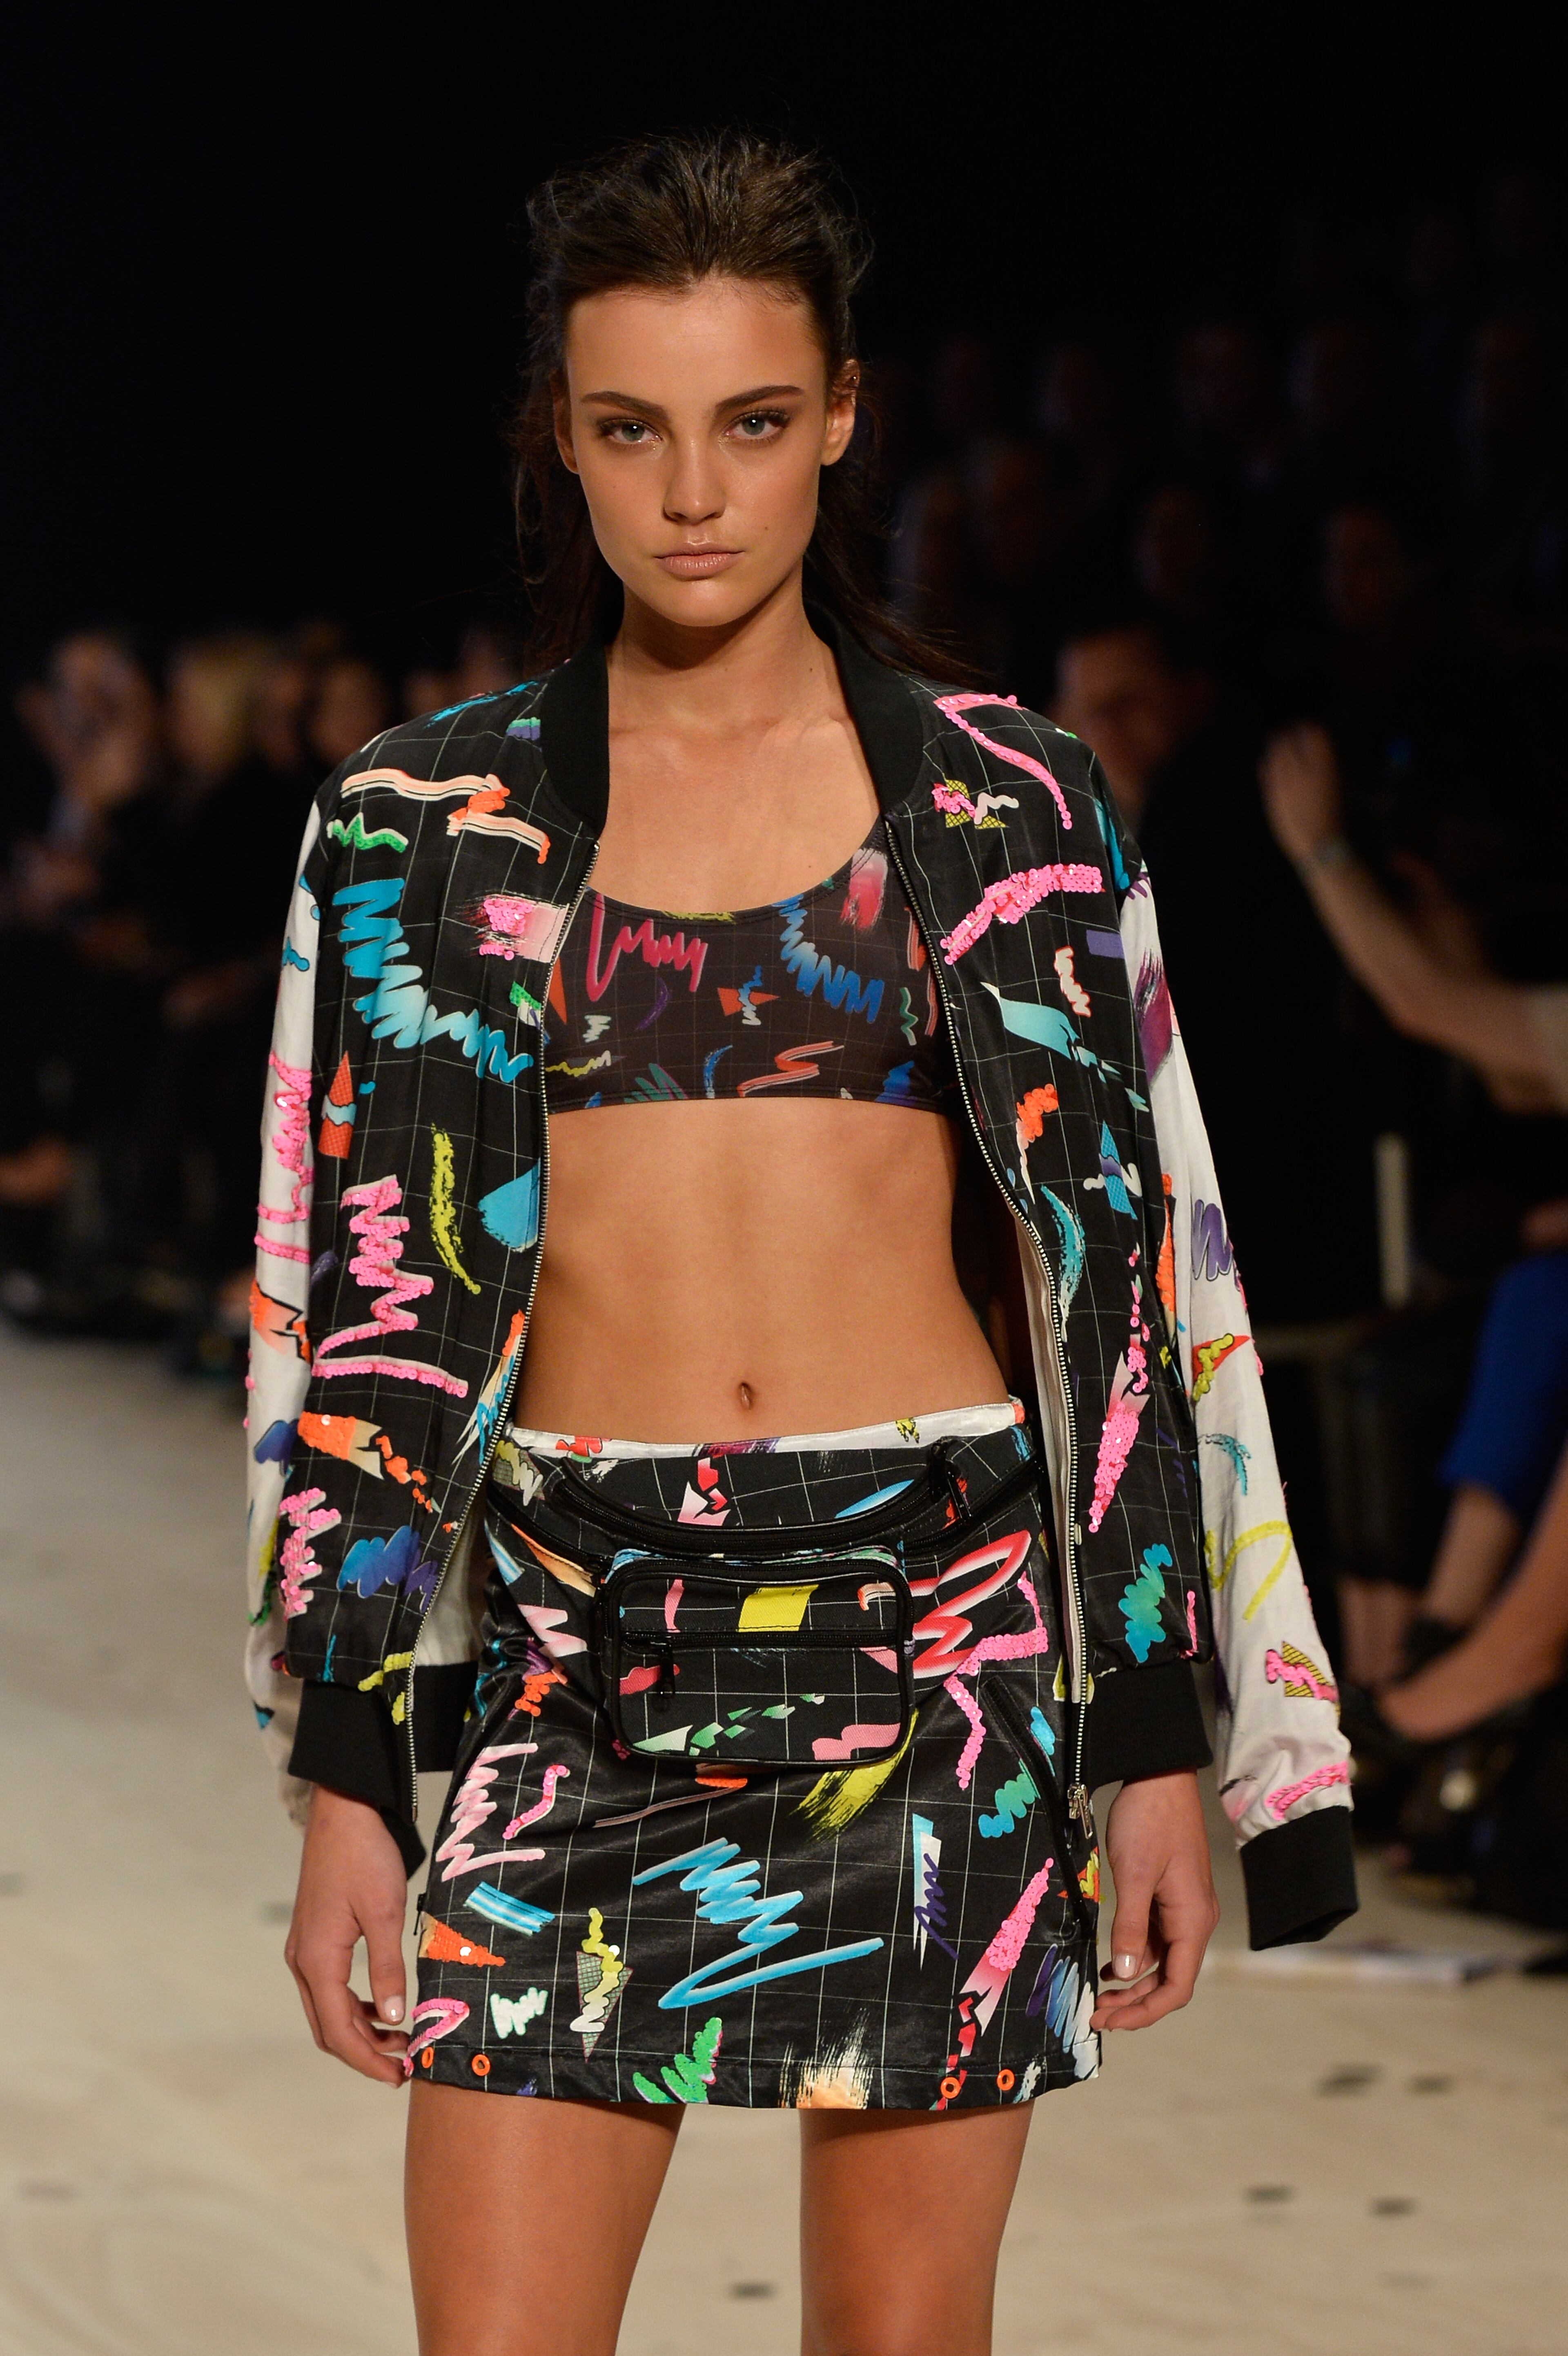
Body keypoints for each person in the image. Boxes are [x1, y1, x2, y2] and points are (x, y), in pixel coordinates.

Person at [250, 133, 1354, 2356]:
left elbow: (1120, 1293)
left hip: (941, 1648)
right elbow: (370, 1308)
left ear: (842, 411)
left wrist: (1151, 1724)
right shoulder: (423, 829)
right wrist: (351, 1769)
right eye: (632, 427)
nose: (694, 494)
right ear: (559, 434)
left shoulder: (1006, 805)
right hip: (580, 1657)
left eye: (752, 423)